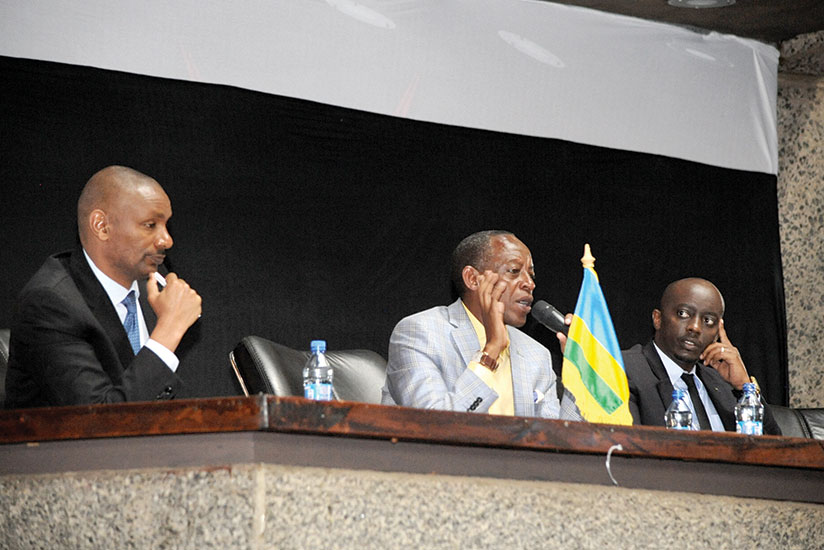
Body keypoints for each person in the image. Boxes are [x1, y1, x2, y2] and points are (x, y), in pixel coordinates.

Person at [5, 166, 202, 408]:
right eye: (150, 225)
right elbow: (98, 421)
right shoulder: (49, 303)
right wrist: (168, 330)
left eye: (166, 225)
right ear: (101, 226)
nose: (167, 240)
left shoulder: (154, 291)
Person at [381, 230, 564, 418]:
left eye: (531, 275)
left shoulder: (536, 354)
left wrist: (582, 376)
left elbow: (560, 439)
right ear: (473, 279)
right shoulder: (419, 332)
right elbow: (433, 424)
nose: (529, 283)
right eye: (514, 271)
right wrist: (490, 352)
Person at [623, 277, 781, 434]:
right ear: (658, 319)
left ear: (717, 333)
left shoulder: (723, 383)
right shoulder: (625, 370)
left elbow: (774, 451)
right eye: (683, 314)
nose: (695, 327)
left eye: (708, 320)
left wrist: (744, 387)